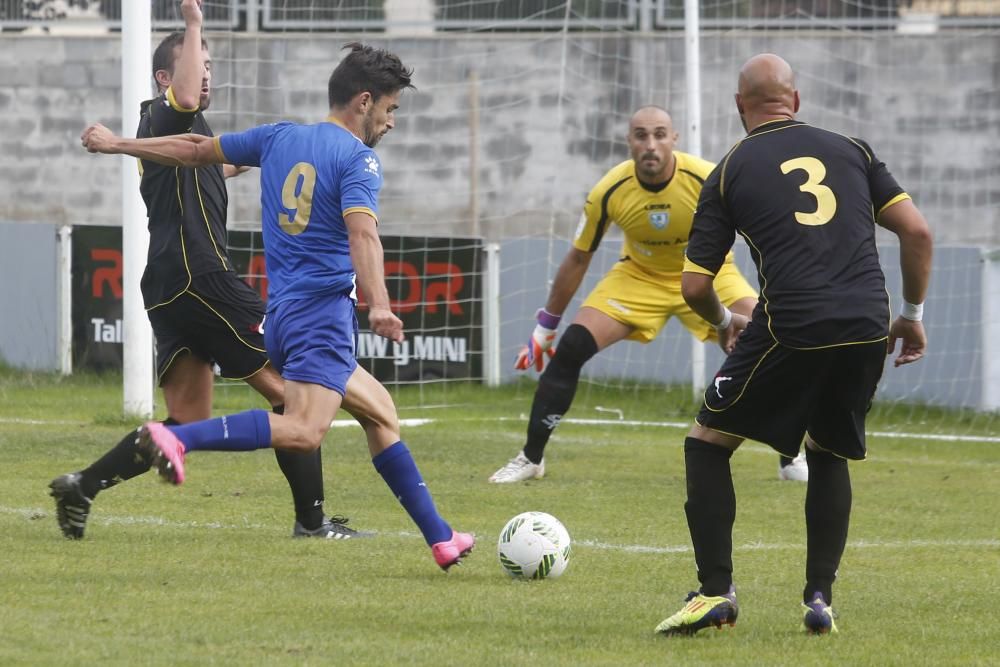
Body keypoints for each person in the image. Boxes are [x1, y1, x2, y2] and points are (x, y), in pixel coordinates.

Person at [79, 42, 475, 571]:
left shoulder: (281, 136)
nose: (392, 121)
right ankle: (174, 437)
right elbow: (364, 236)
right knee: (305, 429)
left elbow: (197, 151)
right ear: (363, 101)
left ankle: (441, 537)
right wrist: (378, 304)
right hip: (321, 316)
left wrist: (118, 145)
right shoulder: (358, 159)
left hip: (284, 314)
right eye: (391, 108)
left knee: (380, 412)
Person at [49, 0, 353, 541]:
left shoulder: (185, 137)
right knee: (290, 394)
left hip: (168, 287)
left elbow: (227, 159)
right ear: (165, 75)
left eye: (211, 65)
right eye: (197, 61)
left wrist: (294, 149)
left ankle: (83, 485)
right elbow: (185, 97)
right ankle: (313, 523)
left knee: (187, 419)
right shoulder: (165, 112)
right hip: (202, 277)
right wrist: (193, 22)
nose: (205, 73)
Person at [654, 53, 932, 636]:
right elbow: (917, 230)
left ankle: (714, 592)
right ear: (796, 101)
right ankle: (819, 599)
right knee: (829, 449)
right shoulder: (853, 149)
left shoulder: (727, 170)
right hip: (867, 323)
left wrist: (726, 319)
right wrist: (910, 315)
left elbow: (694, 285)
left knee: (706, 441)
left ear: (738, 107)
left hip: (792, 324)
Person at [489, 105, 807, 484]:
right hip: (639, 276)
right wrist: (546, 327)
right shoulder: (610, 189)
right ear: (629, 142)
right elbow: (578, 257)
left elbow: (764, 233)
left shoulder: (708, 177)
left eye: (659, 134)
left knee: (776, 339)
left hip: (709, 274)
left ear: (674, 139)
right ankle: (531, 458)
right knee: (572, 347)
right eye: (641, 135)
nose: (651, 145)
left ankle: (790, 458)